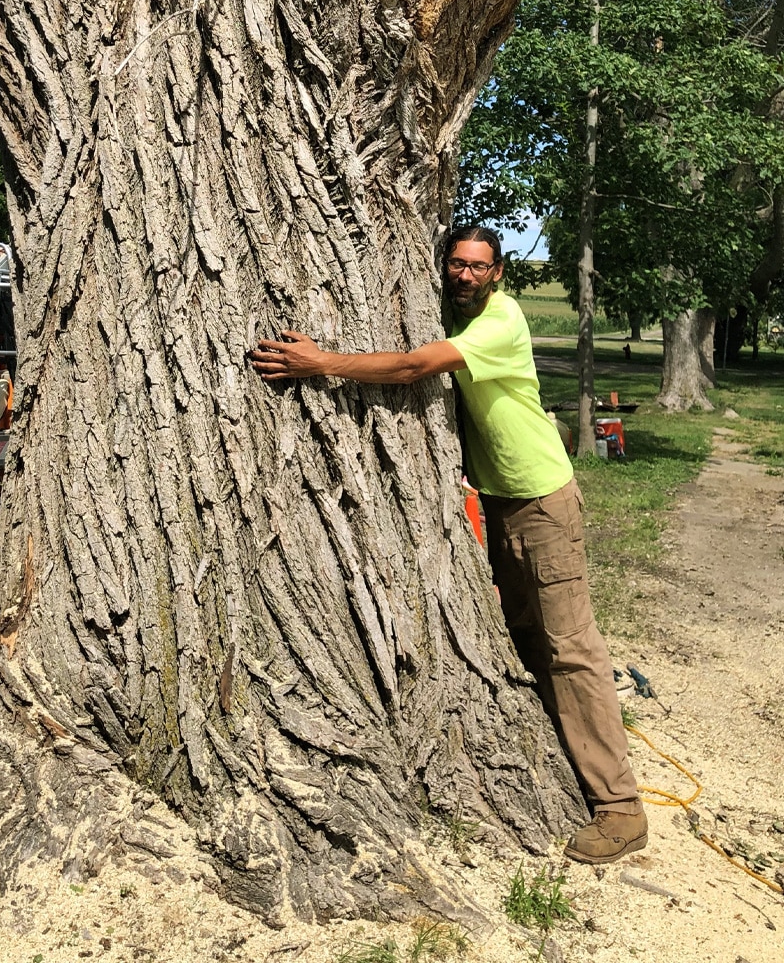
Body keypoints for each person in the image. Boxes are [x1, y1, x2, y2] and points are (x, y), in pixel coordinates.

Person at [249, 225, 647, 865]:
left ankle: (621, 808)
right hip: (500, 502)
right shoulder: (458, 311)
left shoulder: (501, 322)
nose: (465, 275)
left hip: (542, 501)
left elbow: (413, 367)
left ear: (498, 272)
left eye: (478, 266)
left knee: (570, 647)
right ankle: (562, 754)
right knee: (521, 635)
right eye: (456, 264)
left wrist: (320, 363)